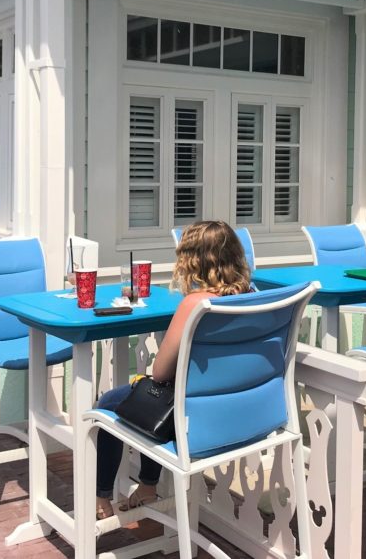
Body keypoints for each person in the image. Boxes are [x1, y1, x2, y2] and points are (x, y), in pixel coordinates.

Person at [94, 220, 252, 518]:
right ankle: (147, 485)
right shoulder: (253, 296)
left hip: (191, 416)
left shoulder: (196, 303)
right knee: (158, 395)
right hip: (237, 413)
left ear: (191, 262)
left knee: (112, 402)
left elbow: (160, 372)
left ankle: (100, 496)